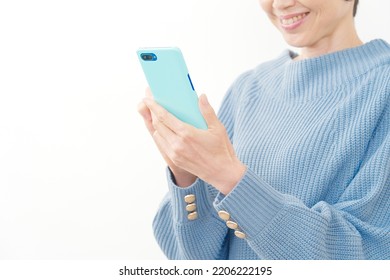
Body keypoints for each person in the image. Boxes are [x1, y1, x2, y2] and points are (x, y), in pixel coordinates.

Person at [138, 0, 390, 259]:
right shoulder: (249, 87)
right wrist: (186, 175)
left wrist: (230, 177)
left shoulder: (383, 88)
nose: (280, 3)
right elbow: (191, 261)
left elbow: (366, 256)